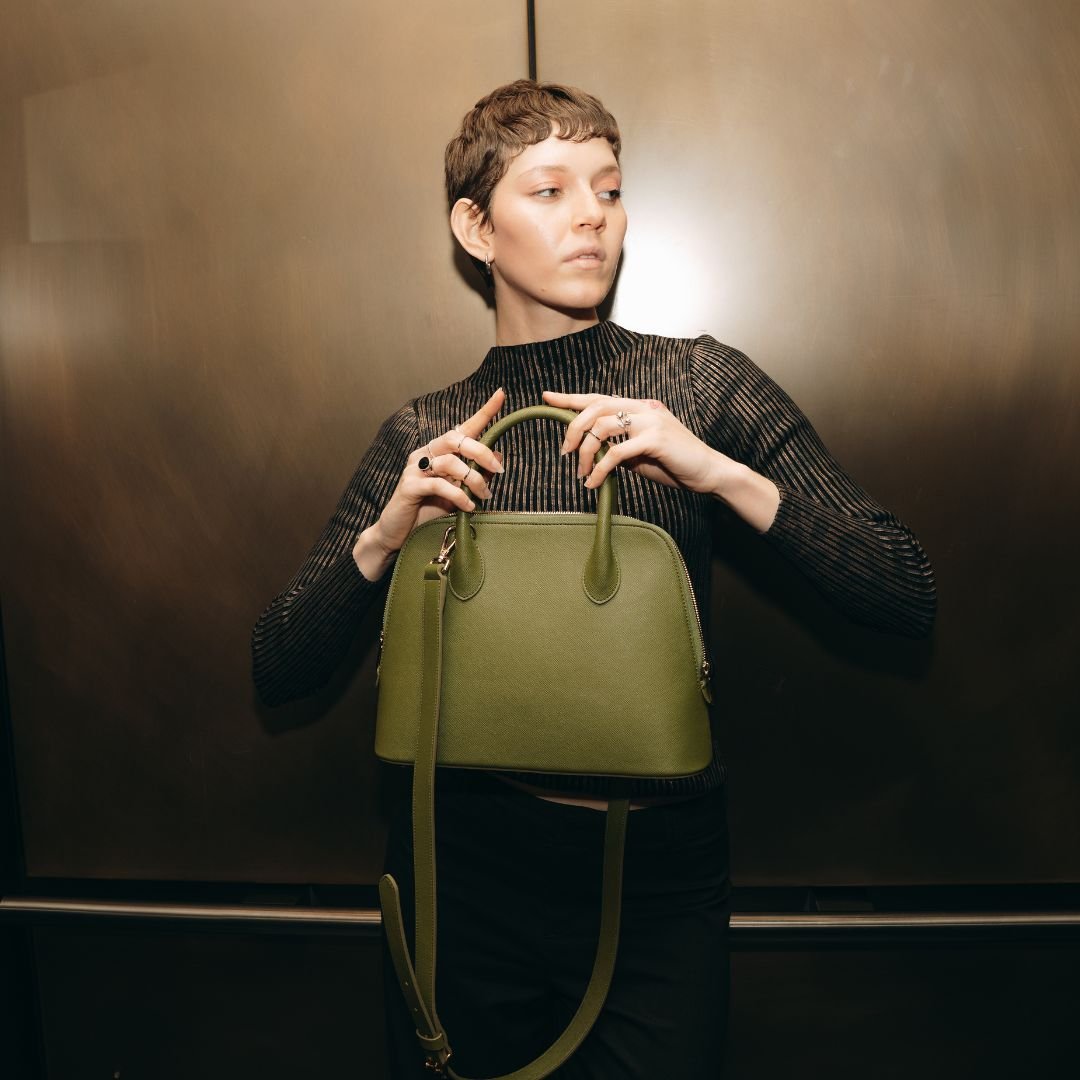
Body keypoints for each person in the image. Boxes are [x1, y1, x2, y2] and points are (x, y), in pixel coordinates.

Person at [252, 80, 936, 1078]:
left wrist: (716, 472)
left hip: (655, 875)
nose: (592, 217)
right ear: (475, 229)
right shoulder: (425, 433)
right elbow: (278, 666)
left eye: (609, 191)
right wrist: (386, 536)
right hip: (462, 871)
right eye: (550, 190)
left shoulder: (697, 385)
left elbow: (902, 587)